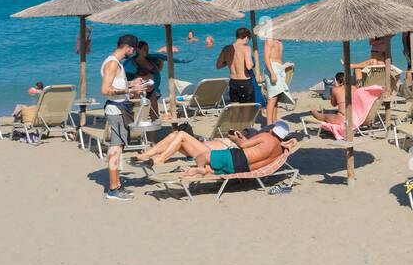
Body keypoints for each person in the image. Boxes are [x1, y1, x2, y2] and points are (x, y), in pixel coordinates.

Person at [134, 121, 294, 176]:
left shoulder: (267, 137)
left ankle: (160, 159)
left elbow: (244, 146)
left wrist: (234, 139)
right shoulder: (279, 148)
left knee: (181, 134)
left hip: (228, 156)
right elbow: (249, 147)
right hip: (241, 165)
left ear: (273, 130)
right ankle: (145, 156)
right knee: (175, 136)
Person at [101, 34, 148, 201]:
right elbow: (105, 90)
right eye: (133, 49)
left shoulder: (115, 63)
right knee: (115, 148)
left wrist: (131, 84)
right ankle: (113, 189)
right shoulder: (113, 63)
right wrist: (128, 91)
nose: (133, 52)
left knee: (118, 147)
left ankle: (117, 185)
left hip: (120, 108)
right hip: (116, 110)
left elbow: (115, 85)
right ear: (128, 47)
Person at [216, 27, 255, 105]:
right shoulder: (246, 48)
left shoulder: (226, 48)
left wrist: (230, 62)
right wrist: (253, 63)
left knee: (236, 109)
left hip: (233, 82)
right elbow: (249, 66)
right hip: (244, 82)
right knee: (247, 109)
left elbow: (218, 66)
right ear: (246, 37)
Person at [129, 41, 167, 119]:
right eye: (145, 49)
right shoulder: (133, 62)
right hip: (140, 92)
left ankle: (152, 130)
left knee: (155, 116)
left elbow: (158, 70)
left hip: (152, 90)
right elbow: (130, 76)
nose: (147, 50)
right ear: (138, 50)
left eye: (148, 49)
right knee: (140, 116)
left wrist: (161, 62)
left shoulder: (150, 59)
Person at [264, 34, 292, 125]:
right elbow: (266, 58)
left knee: (277, 97)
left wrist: (284, 66)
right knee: (272, 98)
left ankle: (274, 122)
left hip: (279, 68)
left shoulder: (280, 41)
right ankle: (269, 124)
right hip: (272, 68)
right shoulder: (269, 39)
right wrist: (272, 73)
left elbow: (278, 58)